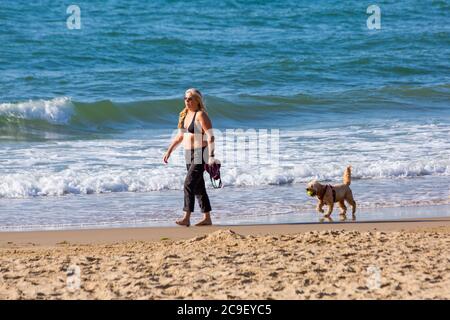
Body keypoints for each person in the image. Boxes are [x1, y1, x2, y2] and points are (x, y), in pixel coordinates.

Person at [163, 88, 216, 226]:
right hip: (188, 153)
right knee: (198, 186)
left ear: (197, 100)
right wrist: (169, 150)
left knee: (188, 183)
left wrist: (211, 156)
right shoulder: (184, 115)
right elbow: (180, 136)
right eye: (185, 98)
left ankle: (186, 217)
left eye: (190, 98)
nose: (187, 101)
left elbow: (210, 136)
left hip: (200, 152)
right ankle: (207, 218)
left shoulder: (201, 115)